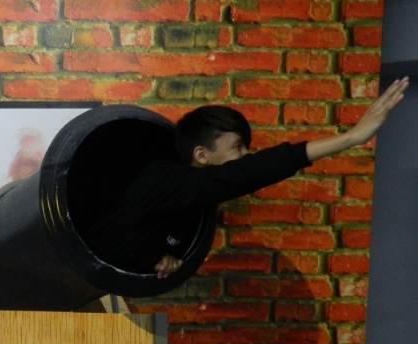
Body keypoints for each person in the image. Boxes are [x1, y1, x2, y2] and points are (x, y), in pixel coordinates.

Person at [81, 77, 410, 280]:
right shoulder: (165, 177)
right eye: (237, 147)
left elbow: (146, 242)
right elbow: (244, 174)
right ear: (201, 154)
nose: (244, 156)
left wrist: (158, 257)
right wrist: (350, 138)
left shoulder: (194, 205)